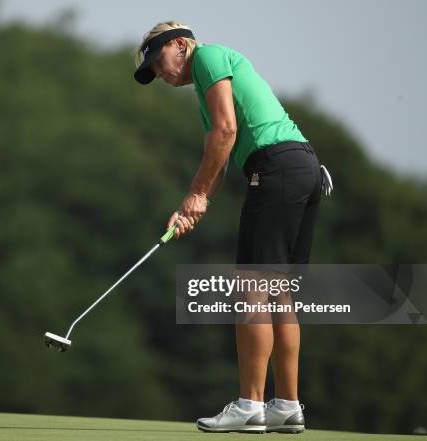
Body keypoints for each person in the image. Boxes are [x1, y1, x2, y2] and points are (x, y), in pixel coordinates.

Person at [134, 21, 332, 434]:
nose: (160, 73)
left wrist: (195, 193)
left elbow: (227, 132)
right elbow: (221, 156)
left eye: (158, 61)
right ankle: (287, 406)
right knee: (280, 293)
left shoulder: (207, 57)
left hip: (277, 169)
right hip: (302, 167)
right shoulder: (209, 86)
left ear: (180, 45)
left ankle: (249, 405)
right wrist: (193, 205)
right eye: (152, 71)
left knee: (253, 289)